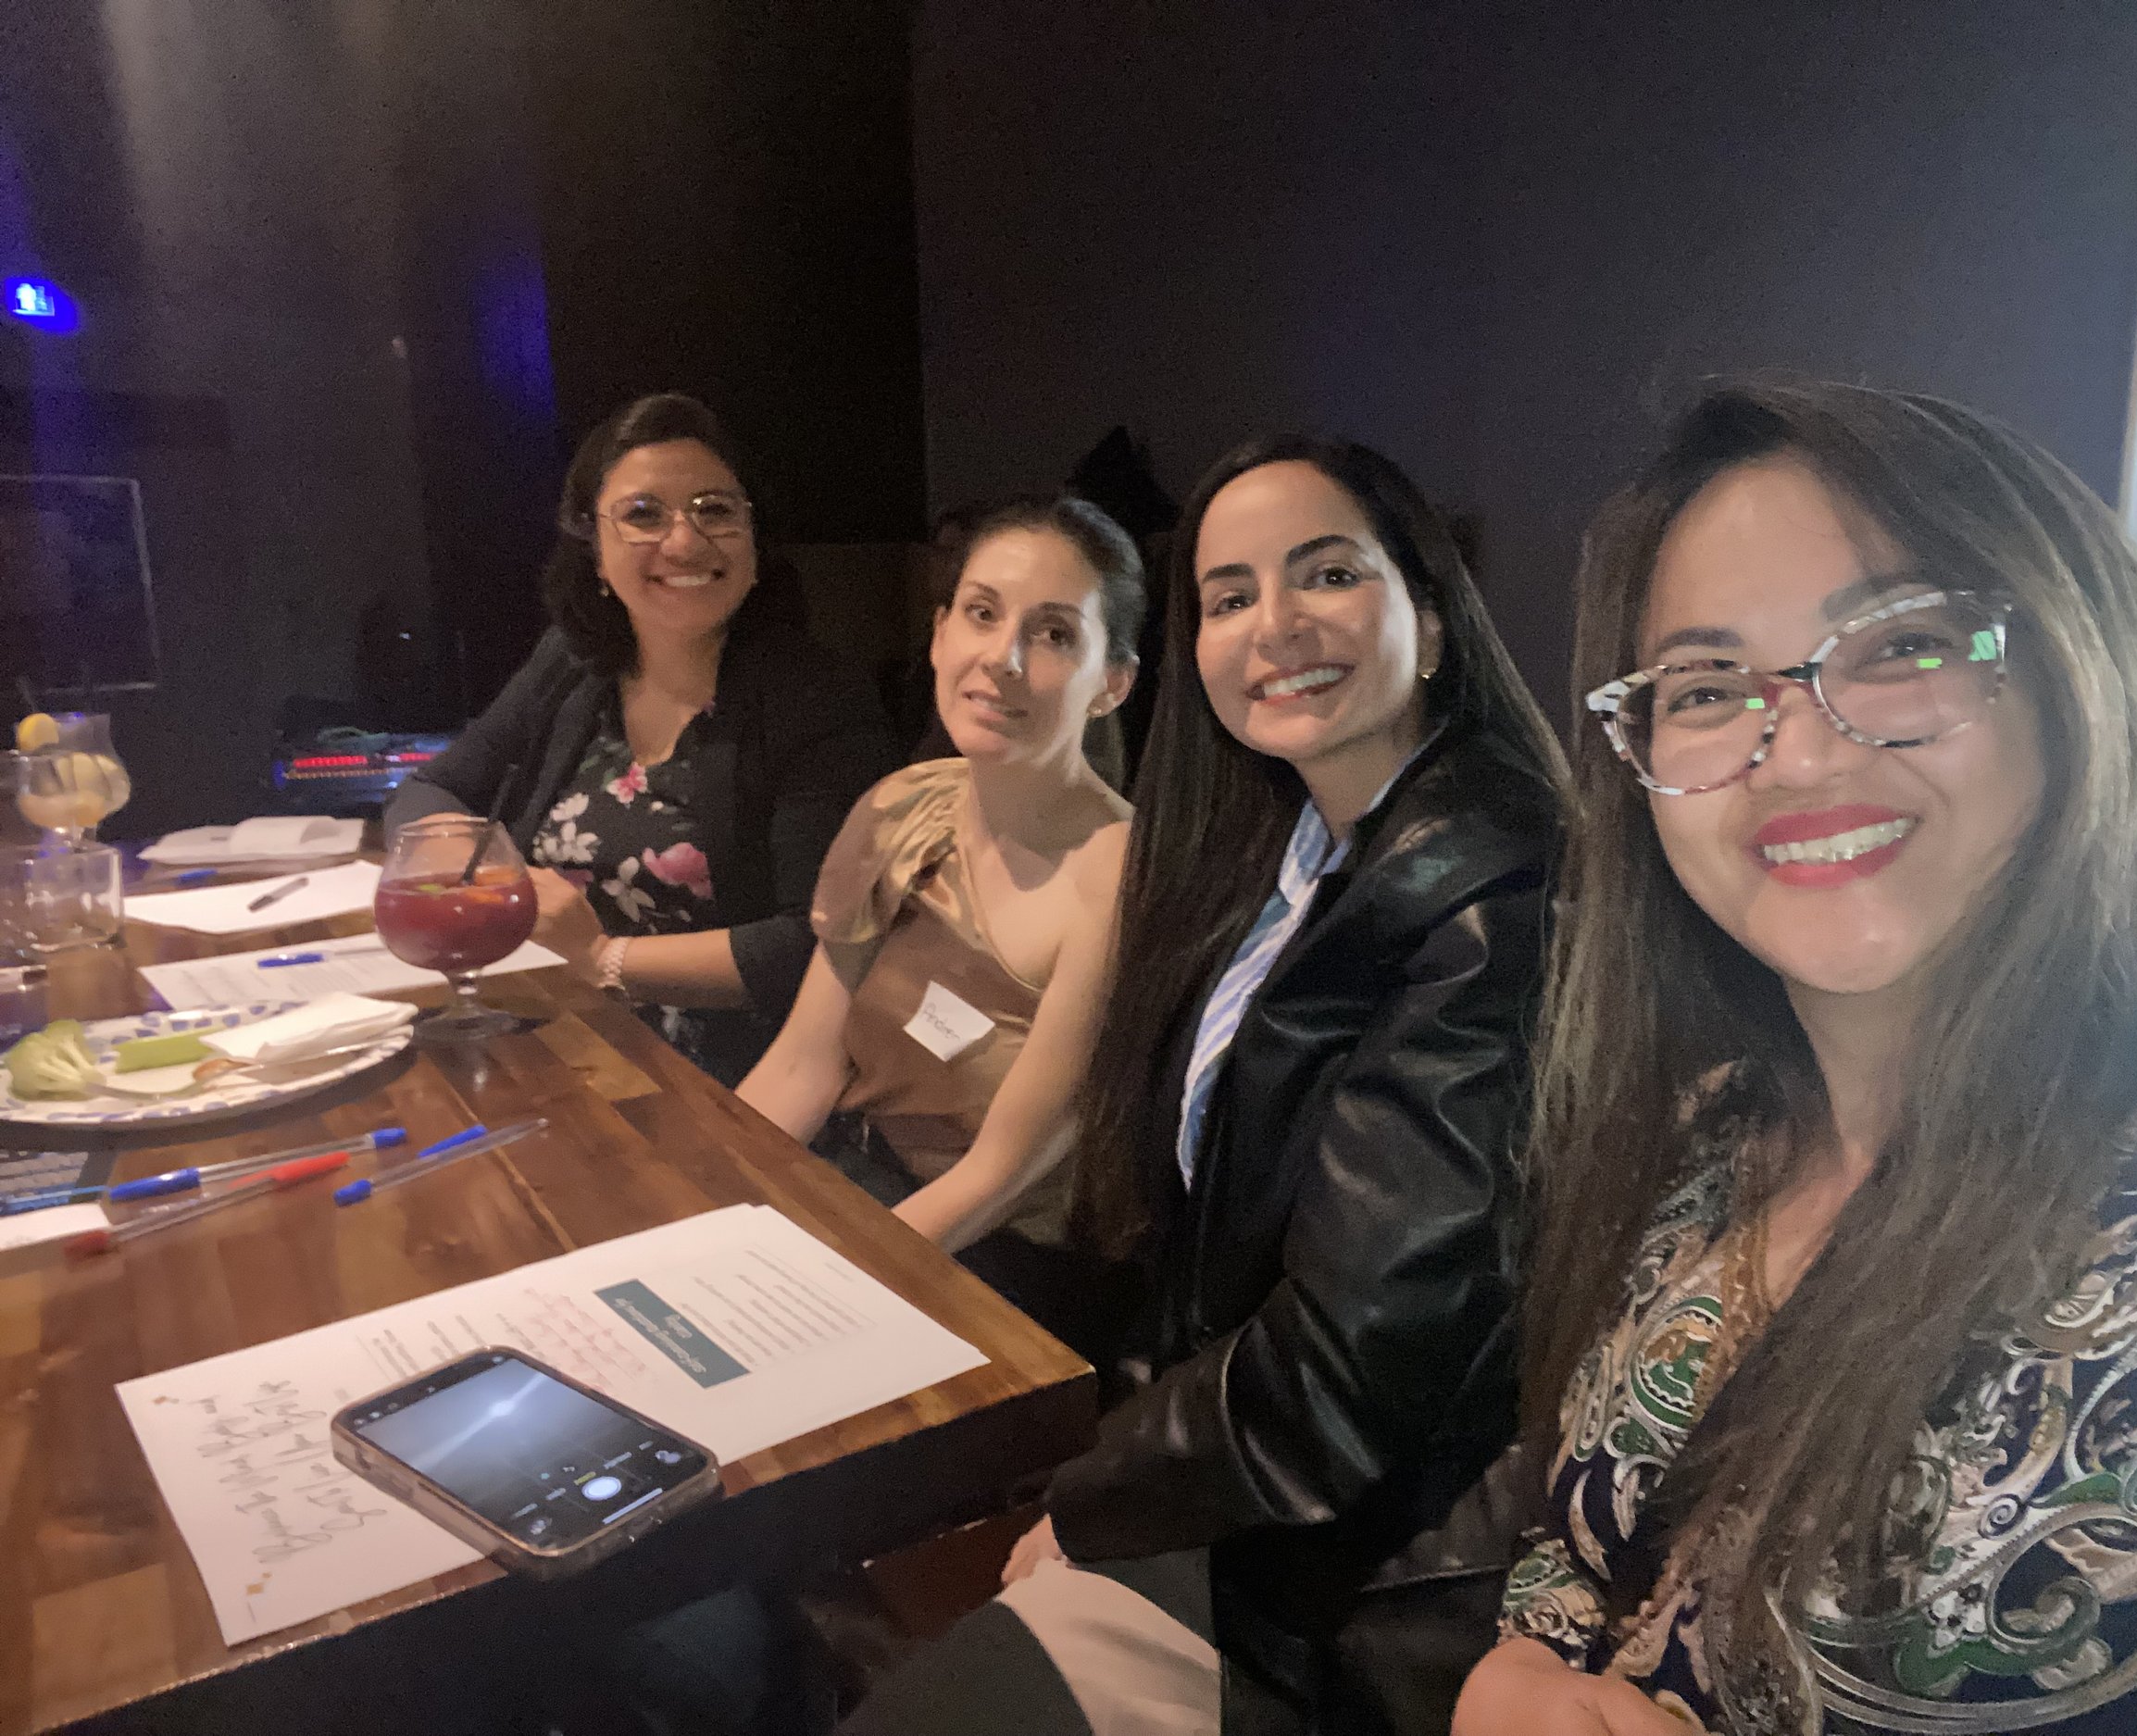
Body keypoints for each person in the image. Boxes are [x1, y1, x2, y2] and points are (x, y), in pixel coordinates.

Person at [1453, 381, 2137, 1736]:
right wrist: (1515, 1671)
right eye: (1706, 685)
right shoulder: (1711, 1133)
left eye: (1900, 644)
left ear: (2080, 666)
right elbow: (1578, 1565)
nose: (1793, 747)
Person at [841, 437, 1571, 1736]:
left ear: (1437, 618)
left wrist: (1094, 1497)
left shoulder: (1493, 895)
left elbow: (1354, 1367)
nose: (1274, 625)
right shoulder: (1276, 851)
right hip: (1240, 1488)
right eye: (1229, 596)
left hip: (1355, 1574)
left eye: (1327, 573)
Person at [384, 393, 898, 1085]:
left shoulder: (817, 697)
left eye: (715, 510)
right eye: (643, 514)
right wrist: (478, 875)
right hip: (556, 1037)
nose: (684, 541)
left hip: (735, 1078)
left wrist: (603, 957)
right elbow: (431, 789)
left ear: (754, 542)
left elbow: (817, 942)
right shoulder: (572, 664)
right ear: (594, 551)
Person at [736, 494, 1142, 1348]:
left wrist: (805, 1301)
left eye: (1056, 634)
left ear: (1113, 683)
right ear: (938, 633)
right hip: (858, 1195)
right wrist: (690, 1207)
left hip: (1009, 1274)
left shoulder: (1122, 876)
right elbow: (802, 1067)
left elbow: (999, 1176)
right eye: (982, 614)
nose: (1003, 657)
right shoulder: (903, 804)